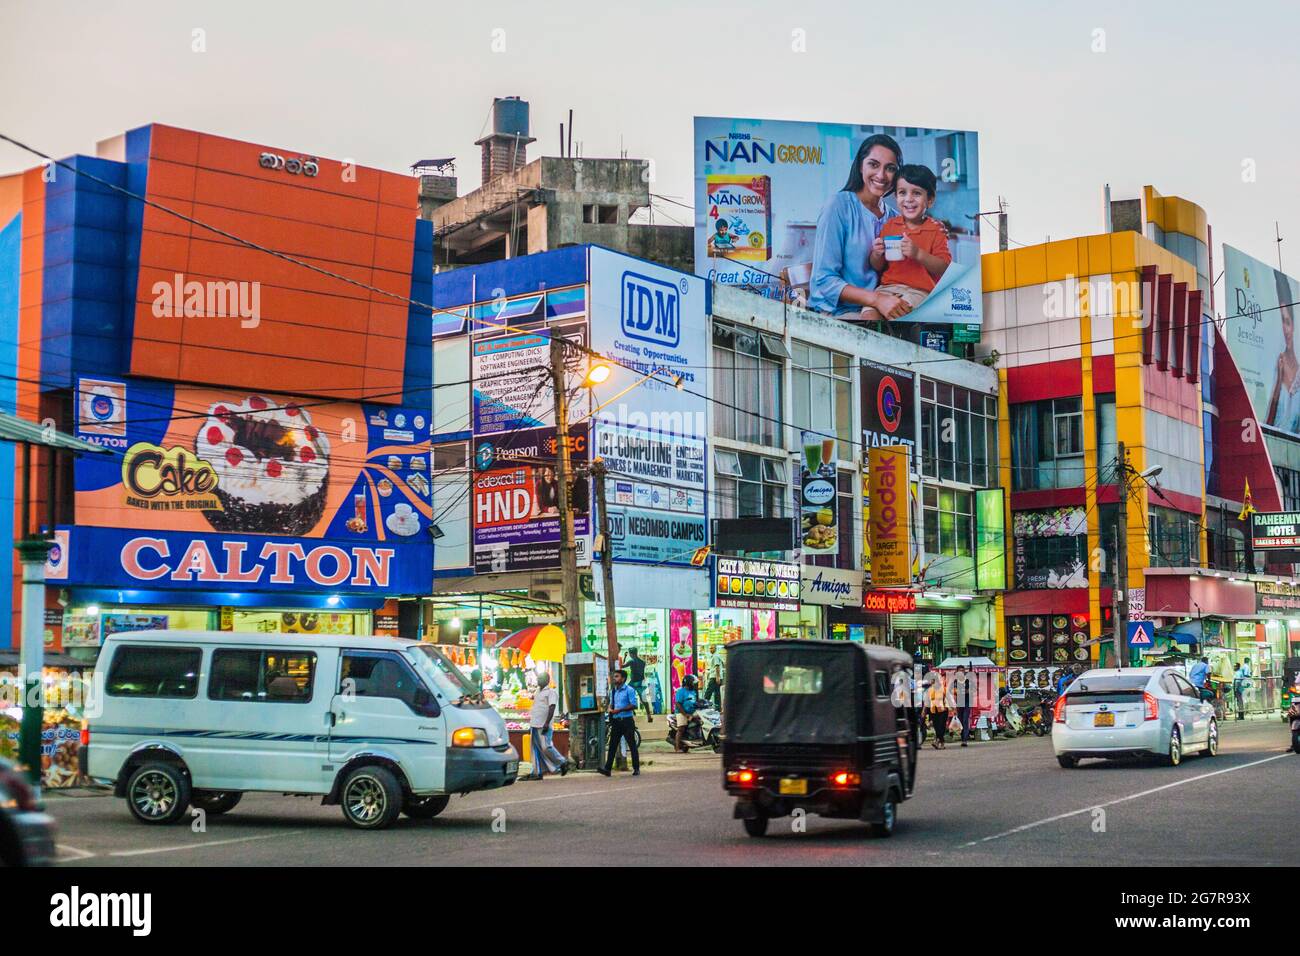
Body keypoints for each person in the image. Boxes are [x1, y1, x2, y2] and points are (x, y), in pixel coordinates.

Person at [808, 133, 915, 321]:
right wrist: (877, 300)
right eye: (873, 165)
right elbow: (824, 280)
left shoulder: (895, 218)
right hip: (838, 315)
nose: (881, 175)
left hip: (880, 311)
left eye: (890, 168)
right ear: (860, 166)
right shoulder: (838, 206)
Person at [860, 164, 952, 322]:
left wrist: (918, 254)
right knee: (868, 315)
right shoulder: (889, 225)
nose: (909, 199)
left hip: (919, 291)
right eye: (902, 193)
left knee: (899, 312)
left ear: (929, 200)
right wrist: (877, 254)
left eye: (916, 193)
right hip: (886, 288)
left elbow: (944, 268)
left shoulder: (936, 230)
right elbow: (878, 266)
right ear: (896, 197)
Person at [1266, 269, 1300, 431]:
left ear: (1293, 323)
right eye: (1282, 321)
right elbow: (1268, 424)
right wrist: (1278, 383)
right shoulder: (1277, 366)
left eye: (1287, 321)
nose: (1285, 329)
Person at [524, 671, 569, 780]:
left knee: (546, 747)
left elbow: (552, 707)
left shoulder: (551, 692)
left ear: (547, 680)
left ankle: (562, 762)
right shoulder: (538, 691)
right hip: (535, 724)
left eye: (541, 678)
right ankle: (536, 772)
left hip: (544, 725)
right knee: (535, 749)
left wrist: (546, 723)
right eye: (538, 678)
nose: (538, 680)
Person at [598, 669, 640, 776]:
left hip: (627, 721)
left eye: (617, 676)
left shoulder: (629, 690)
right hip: (616, 721)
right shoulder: (613, 691)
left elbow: (634, 705)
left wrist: (620, 710)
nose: (614, 678)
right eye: (614, 676)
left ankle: (636, 768)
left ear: (623, 678)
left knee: (632, 745)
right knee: (612, 745)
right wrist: (610, 708)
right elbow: (612, 704)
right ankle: (607, 769)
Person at [673, 674, 702, 752]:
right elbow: (678, 704)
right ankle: (677, 747)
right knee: (681, 729)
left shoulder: (693, 692)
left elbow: (696, 701)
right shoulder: (680, 691)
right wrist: (685, 714)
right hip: (681, 712)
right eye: (693, 682)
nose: (694, 684)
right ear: (689, 683)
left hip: (692, 712)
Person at [926, 669, 954, 750]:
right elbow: (928, 702)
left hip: (943, 710)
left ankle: (937, 741)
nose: (930, 681)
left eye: (931, 679)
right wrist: (924, 711)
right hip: (933, 711)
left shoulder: (943, 689)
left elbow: (949, 698)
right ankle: (941, 742)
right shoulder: (930, 690)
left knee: (941, 727)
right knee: (937, 727)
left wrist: (953, 709)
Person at [624, 647, 652, 722]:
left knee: (625, 695)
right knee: (644, 699)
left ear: (631, 654)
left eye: (629, 653)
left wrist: (624, 657)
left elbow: (622, 666)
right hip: (641, 682)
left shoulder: (631, 661)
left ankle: (632, 712)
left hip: (633, 682)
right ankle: (649, 715)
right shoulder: (643, 662)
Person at [950, 665, 974, 747]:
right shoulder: (955, 681)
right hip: (959, 703)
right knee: (960, 721)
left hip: (967, 703)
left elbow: (970, 690)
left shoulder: (967, 680)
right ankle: (962, 738)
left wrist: (961, 691)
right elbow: (951, 690)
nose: (961, 672)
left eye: (962, 670)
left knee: (965, 720)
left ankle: (965, 739)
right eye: (959, 670)